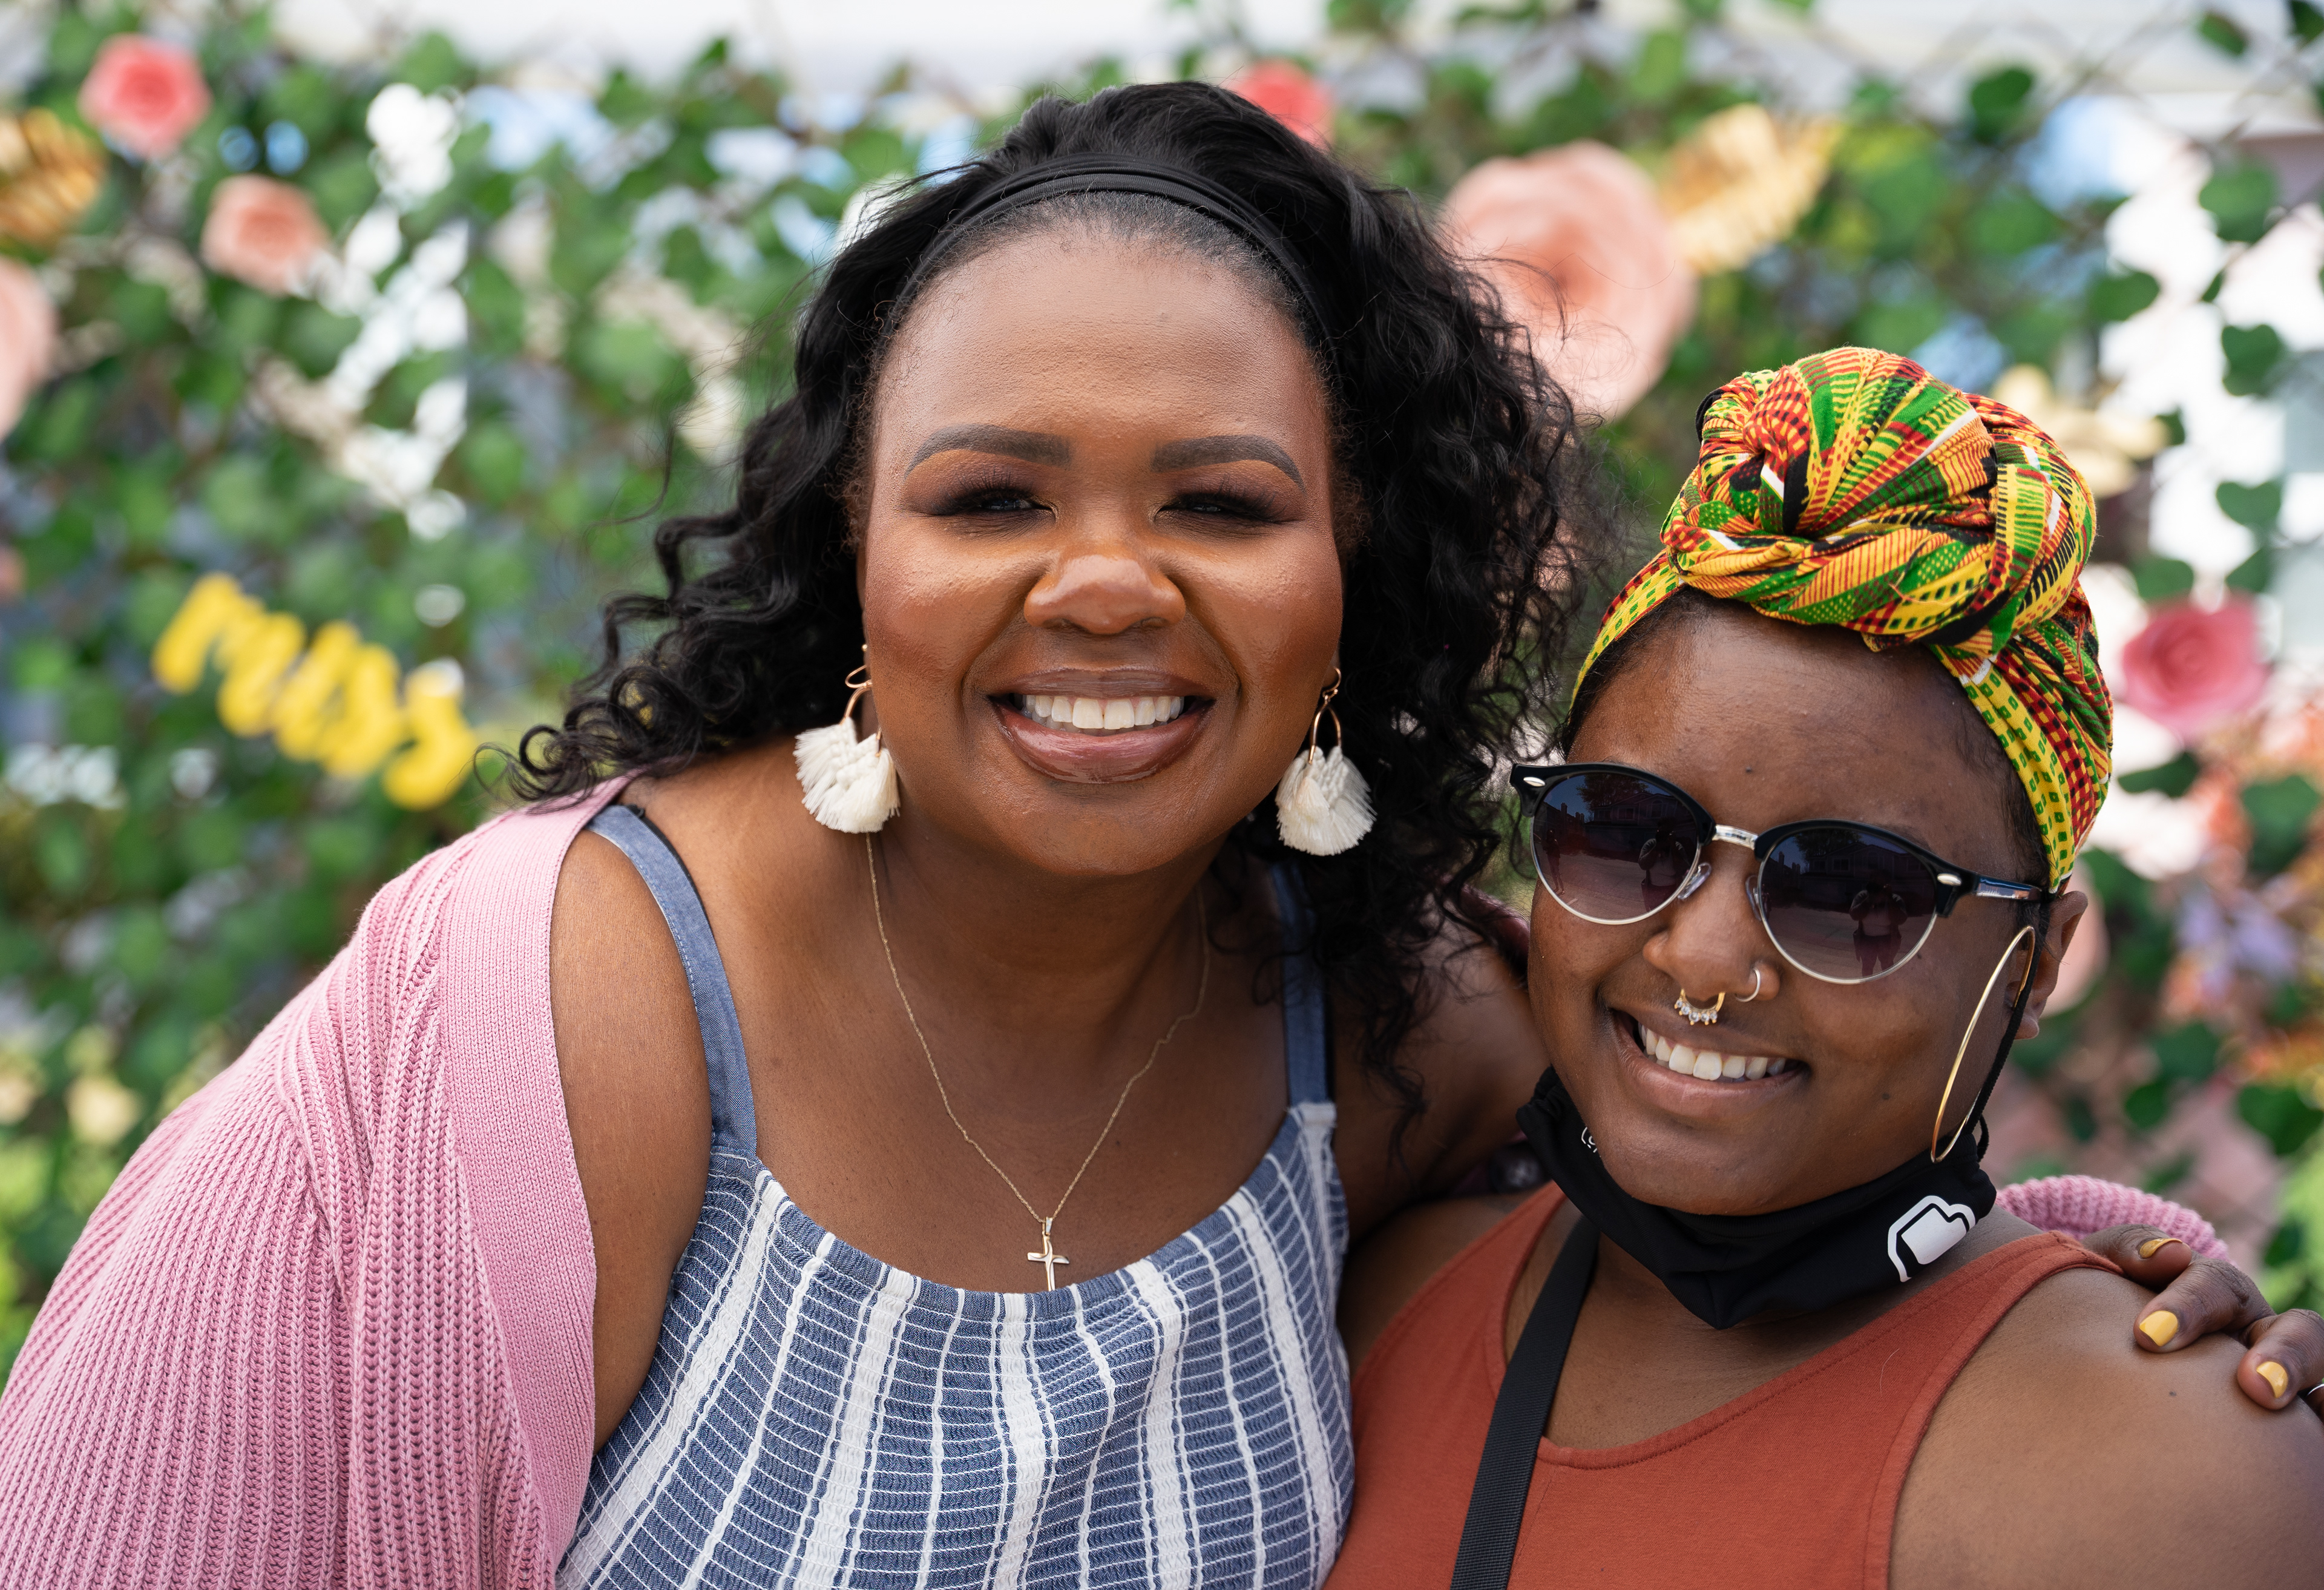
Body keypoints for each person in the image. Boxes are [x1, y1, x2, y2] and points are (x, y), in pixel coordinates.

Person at [0, 91, 2304, 1586]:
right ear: (854, 554)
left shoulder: (1385, 1023)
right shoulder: (544, 1014)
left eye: (1220, 501)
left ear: (1353, 576)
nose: (1103, 583)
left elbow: (1747, 1109)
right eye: (991, 494)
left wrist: (2094, 1266)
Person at [1327, 348, 2324, 1590]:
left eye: (1852, 892)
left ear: (2034, 964)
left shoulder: (2158, 1476)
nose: (1702, 955)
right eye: (1628, 834)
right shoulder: (1384, 1301)